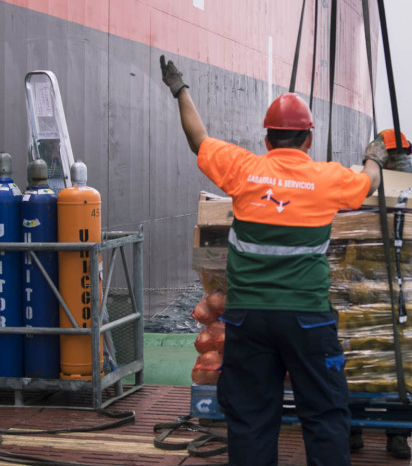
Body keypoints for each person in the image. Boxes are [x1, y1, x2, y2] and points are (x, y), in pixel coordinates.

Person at [160, 56, 388, 466]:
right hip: (308, 320)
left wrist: (180, 90)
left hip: (250, 321)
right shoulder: (328, 178)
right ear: (308, 141)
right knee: (325, 415)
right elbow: (369, 182)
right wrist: (376, 156)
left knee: (250, 419)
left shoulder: (244, 169)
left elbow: (199, 139)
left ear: (266, 140)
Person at [349, 128, 412, 460]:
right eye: (396, 155)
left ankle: (396, 434)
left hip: (398, 293)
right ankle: (354, 429)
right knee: (359, 358)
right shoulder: (362, 189)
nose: (400, 161)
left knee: (397, 365)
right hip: (364, 289)